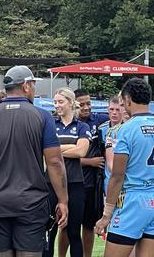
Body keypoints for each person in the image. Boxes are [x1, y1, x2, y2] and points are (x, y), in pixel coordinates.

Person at [0, 65, 69, 256]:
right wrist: (63, 200)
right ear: (26, 86)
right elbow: (55, 162)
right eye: (34, 86)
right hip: (31, 203)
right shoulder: (42, 117)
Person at [94, 78, 154, 257]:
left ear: (128, 99)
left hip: (133, 200)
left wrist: (107, 214)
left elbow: (117, 175)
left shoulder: (125, 130)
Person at [45, 87, 91, 257]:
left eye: (60, 102)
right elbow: (43, 151)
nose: (57, 105)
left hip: (75, 184)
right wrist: (70, 146)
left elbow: (81, 152)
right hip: (50, 183)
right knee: (49, 231)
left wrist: (55, 150)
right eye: (55, 102)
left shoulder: (82, 126)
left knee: (73, 232)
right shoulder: (49, 125)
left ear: (71, 103)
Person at [76, 95, 122, 257]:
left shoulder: (129, 128)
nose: (114, 113)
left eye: (118, 109)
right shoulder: (101, 128)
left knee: (122, 226)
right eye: (111, 109)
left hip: (126, 186)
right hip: (102, 185)